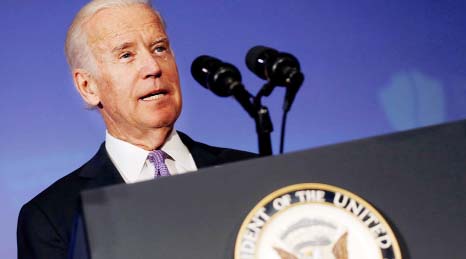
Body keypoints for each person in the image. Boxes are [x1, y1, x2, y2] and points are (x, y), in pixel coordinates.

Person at [16, 0, 256, 258]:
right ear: (88, 86)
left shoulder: (251, 171)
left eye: (159, 48)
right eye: (126, 55)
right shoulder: (50, 217)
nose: (153, 67)